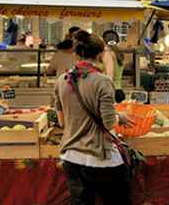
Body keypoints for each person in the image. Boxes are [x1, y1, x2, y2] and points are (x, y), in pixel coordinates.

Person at [54, 32, 132, 205]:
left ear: (76, 53)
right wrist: (120, 116)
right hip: (100, 157)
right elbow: (109, 122)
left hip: (71, 156)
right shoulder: (102, 81)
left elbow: (62, 122)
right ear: (99, 54)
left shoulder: (61, 80)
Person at [102, 30, 125, 103]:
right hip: (118, 90)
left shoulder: (108, 54)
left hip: (111, 91)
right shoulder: (118, 53)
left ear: (104, 41)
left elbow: (110, 75)